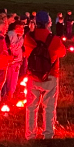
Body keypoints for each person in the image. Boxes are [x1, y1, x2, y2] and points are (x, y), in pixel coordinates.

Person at [23, 11, 66, 140]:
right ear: (49, 23)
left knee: (31, 106)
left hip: (33, 75)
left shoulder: (28, 37)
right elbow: (63, 53)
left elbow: (26, 53)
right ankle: (48, 134)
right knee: (49, 106)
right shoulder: (55, 39)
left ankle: (30, 134)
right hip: (51, 75)